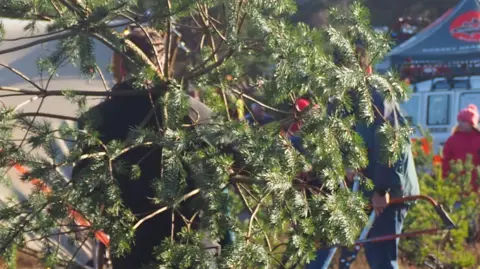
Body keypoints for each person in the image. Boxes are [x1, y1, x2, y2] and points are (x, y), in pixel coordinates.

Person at [74, 26, 217, 269]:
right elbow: (235, 169)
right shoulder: (199, 114)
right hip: (197, 253)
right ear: (161, 64)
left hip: (136, 254)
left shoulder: (99, 119)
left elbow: (85, 186)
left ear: (121, 66)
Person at [306, 41, 420, 269]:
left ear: (365, 70)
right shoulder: (339, 101)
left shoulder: (378, 98)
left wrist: (382, 190)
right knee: (338, 249)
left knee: (381, 258)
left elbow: (389, 145)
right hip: (360, 190)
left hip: (389, 191)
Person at [442, 104, 480, 192]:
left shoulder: (478, 139)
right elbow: (446, 161)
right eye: (459, 121)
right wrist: (445, 179)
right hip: (457, 185)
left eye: (463, 121)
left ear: (471, 123)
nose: (460, 124)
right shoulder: (452, 140)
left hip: (476, 186)